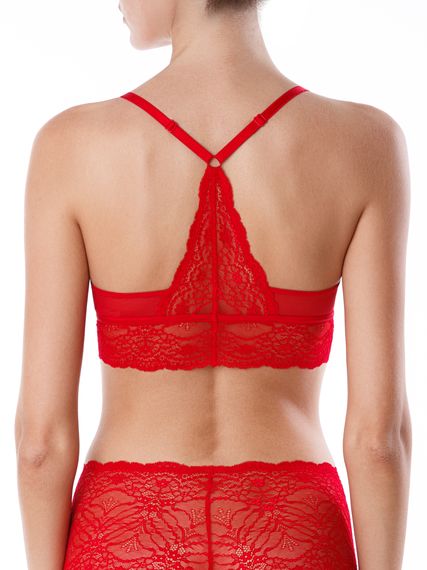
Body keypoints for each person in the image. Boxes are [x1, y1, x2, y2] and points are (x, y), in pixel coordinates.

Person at [15, 0, 412, 568]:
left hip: (124, 536)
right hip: (293, 536)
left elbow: (40, 443)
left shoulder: (70, 146)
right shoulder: (366, 144)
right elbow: (378, 441)